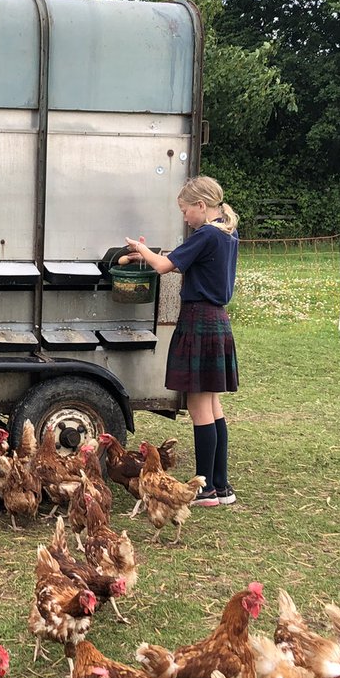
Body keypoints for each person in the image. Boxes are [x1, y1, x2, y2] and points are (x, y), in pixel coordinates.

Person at [121, 175, 239, 507]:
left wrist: (140, 249)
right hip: (217, 320)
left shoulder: (205, 234)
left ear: (201, 207)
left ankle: (205, 490)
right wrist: (147, 254)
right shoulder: (227, 233)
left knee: (200, 407)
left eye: (185, 210)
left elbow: (163, 266)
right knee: (214, 408)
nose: (184, 217)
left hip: (199, 319)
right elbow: (185, 262)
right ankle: (221, 486)